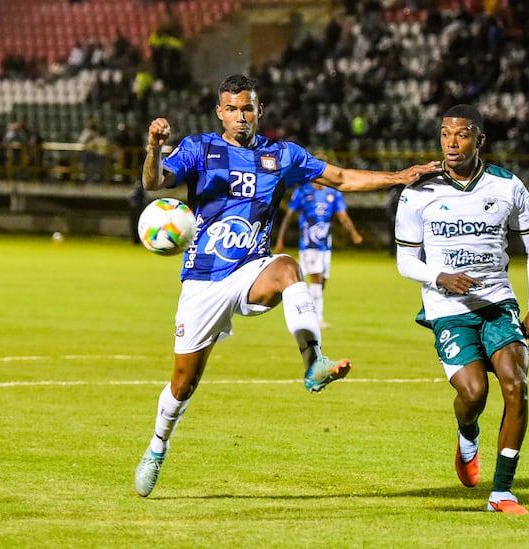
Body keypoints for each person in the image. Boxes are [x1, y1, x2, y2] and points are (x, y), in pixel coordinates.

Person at [135, 74, 439, 498]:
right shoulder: (200, 149)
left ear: (260, 110)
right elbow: (154, 182)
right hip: (202, 282)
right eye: (232, 109)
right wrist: (153, 148)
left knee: (288, 269)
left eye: (247, 108)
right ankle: (157, 446)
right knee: (183, 383)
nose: (240, 117)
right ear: (220, 112)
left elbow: (342, 178)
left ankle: (313, 362)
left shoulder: (282, 155)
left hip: (251, 270)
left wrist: (398, 177)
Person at [394, 104, 529, 515]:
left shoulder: (508, 186)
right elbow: (405, 260)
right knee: (474, 392)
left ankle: (502, 492)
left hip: (498, 302)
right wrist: (439, 276)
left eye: (461, 135)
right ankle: (467, 434)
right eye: (445, 135)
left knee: (516, 385)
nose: (451, 143)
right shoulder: (419, 190)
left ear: (480, 140)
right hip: (447, 306)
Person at [274, 182, 363, 329]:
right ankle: (317, 319)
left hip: (325, 245)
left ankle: (302, 309)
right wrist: (280, 239)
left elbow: (343, 216)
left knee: (322, 282)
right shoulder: (302, 191)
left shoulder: (333, 193)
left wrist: (353, 233)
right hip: (309, 245)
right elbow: (289, 216)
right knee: (317, 279)